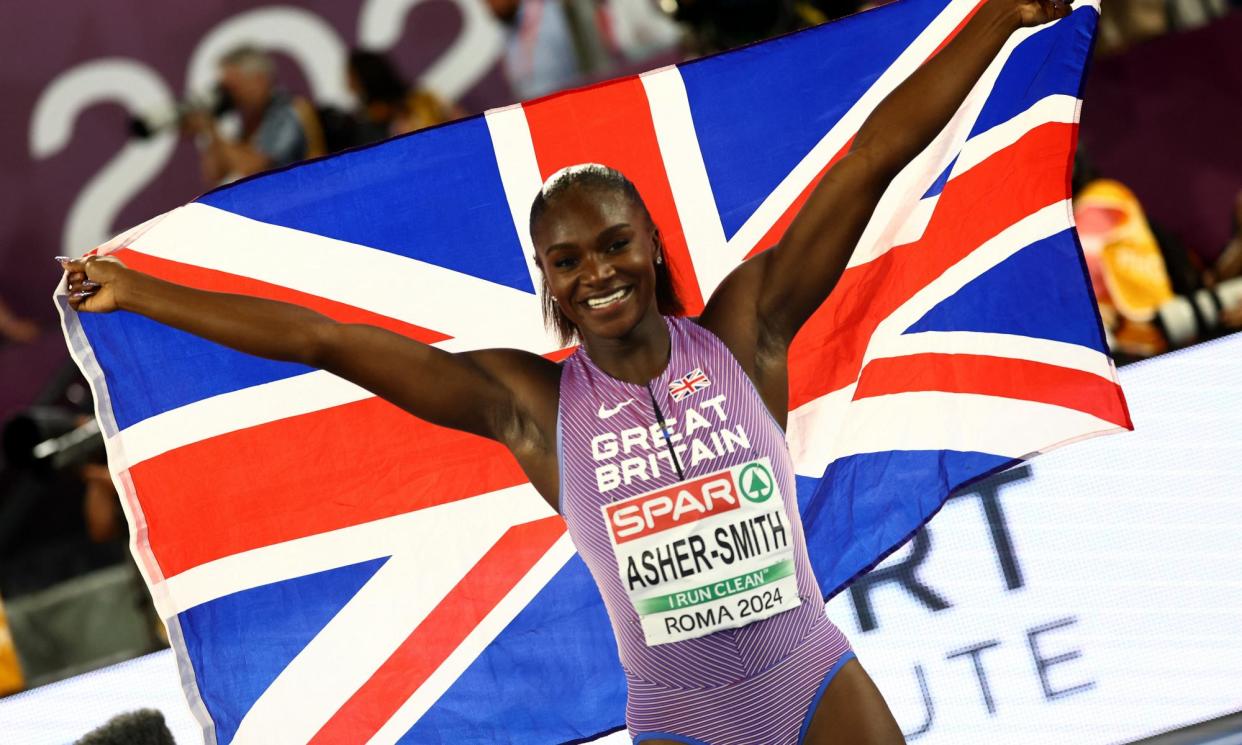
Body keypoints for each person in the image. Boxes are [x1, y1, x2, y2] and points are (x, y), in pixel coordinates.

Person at [63, 0, 1071, 741]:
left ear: (651, 243)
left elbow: (868, 161)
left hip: (810, 673)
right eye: (570, 260)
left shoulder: (747, 332)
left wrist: (997, 20)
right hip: (684, 715)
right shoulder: (528, 406)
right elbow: (326, 340)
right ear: (547, 280)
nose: (600, 272)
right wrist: (141, 292)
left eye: (615, 244)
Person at [183, 45, 320, 184]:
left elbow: (252, 168)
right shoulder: (250, 120)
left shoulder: (287, 112)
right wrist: (208, 129)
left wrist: (212, 127)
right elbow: (214, 174)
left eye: (233, 87)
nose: (228, 96)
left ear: (259, 80)